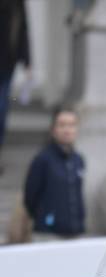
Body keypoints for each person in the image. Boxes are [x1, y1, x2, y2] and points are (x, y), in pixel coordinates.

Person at [24, 107, 86, 241]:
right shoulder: (42, 159)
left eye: (71, 125)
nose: (67, 130)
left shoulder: (78, 160)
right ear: (53, 129)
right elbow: (30, 198)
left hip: (75, 234)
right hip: (48, 235)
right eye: (62, 125)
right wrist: (47, 219)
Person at [0, 0, 31, 173]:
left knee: (2, 109)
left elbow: (23, 28)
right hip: (7, 61)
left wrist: (28, 60)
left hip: (6, 63)